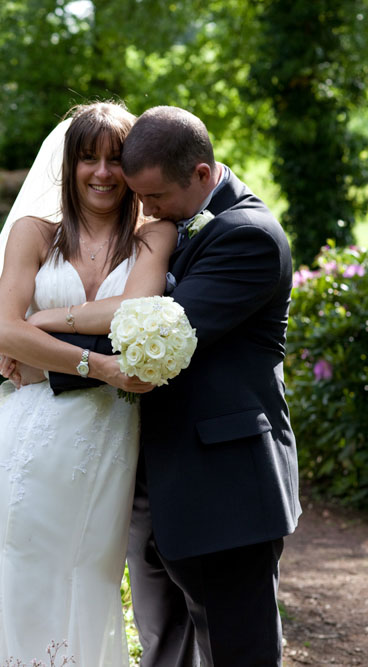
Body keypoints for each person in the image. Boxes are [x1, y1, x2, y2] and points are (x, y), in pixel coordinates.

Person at [0, 102, 176, 666]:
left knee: (84, 571)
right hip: (28, 431)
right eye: (88, 158)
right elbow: (2, 331)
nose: (102, 172)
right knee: (10, 557)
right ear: (68, 164)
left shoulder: (154, 236)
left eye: (116, 159)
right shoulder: (33, 233)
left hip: (107, 440)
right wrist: (98, 366)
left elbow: (136, 308)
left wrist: (40, 325)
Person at [36, 106, 301, 666]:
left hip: (225, 489)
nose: (145, 210)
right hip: (158, 477)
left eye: (154, 198)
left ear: (202, 175)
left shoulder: (247, 238)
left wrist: (40, 356)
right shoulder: (175, 221)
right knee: (167, 648)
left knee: (238, 651)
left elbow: (159, 338)